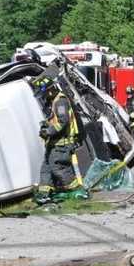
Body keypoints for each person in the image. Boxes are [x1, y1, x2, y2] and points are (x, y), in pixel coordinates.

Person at [35, 76, 82, 204]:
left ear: (50, 90)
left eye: (45, 93)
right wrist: (45, 126)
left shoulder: (60, 101)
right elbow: (55, 120)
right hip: (53, 144)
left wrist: (49, 131)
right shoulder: (53, 101)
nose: (44, 96)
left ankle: (77, 190)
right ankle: (44, 193)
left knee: (58, 168)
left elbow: (63, 121)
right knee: (46, 168)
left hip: (62, 144)